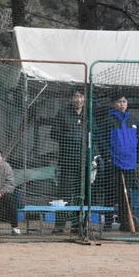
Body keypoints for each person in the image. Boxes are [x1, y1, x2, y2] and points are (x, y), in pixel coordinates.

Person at [51, 87, 89, 233]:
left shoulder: (88, 114)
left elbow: (95, 134)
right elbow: (54, 134)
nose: (78, 100)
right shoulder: (63, 113)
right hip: (67, 160)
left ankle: (78, 224)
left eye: (81, 97)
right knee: (64, 193)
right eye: (76, 96)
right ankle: (59, 225)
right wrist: (70, 137)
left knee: (82, 193)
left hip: (83, 161)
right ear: (71, 98)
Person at [99, 95, 139, 231]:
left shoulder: (133, 120)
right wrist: (107, 157)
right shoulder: (108, 120)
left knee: (126, 194)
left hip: (130, 163)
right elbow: (102, 141)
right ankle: (108, 223)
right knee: (111, 193)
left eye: (124, 101)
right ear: (113, 104)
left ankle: (125, 223)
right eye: (119, 102)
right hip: (113, 162)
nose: (122, 104)